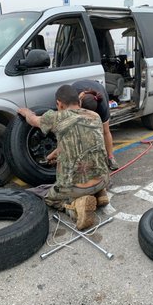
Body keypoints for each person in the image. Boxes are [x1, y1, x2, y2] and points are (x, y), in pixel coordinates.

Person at [17, 84, 110, 230]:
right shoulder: (95, 116)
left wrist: (25, 112)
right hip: (103, 179)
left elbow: (33, 120)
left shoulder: (56, 118)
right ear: (78, 102)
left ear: (59, 104)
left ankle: (74, 208)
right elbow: (76, 141)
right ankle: (100, 193)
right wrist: (53, 155)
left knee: (47, 196)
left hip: (76, 188)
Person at [72, 79, 119, 171]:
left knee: (105, 130)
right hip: (78, 90)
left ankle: (110, 158)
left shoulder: (102, 106)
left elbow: (106, 132)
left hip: (98, 89)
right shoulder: (73, 98)